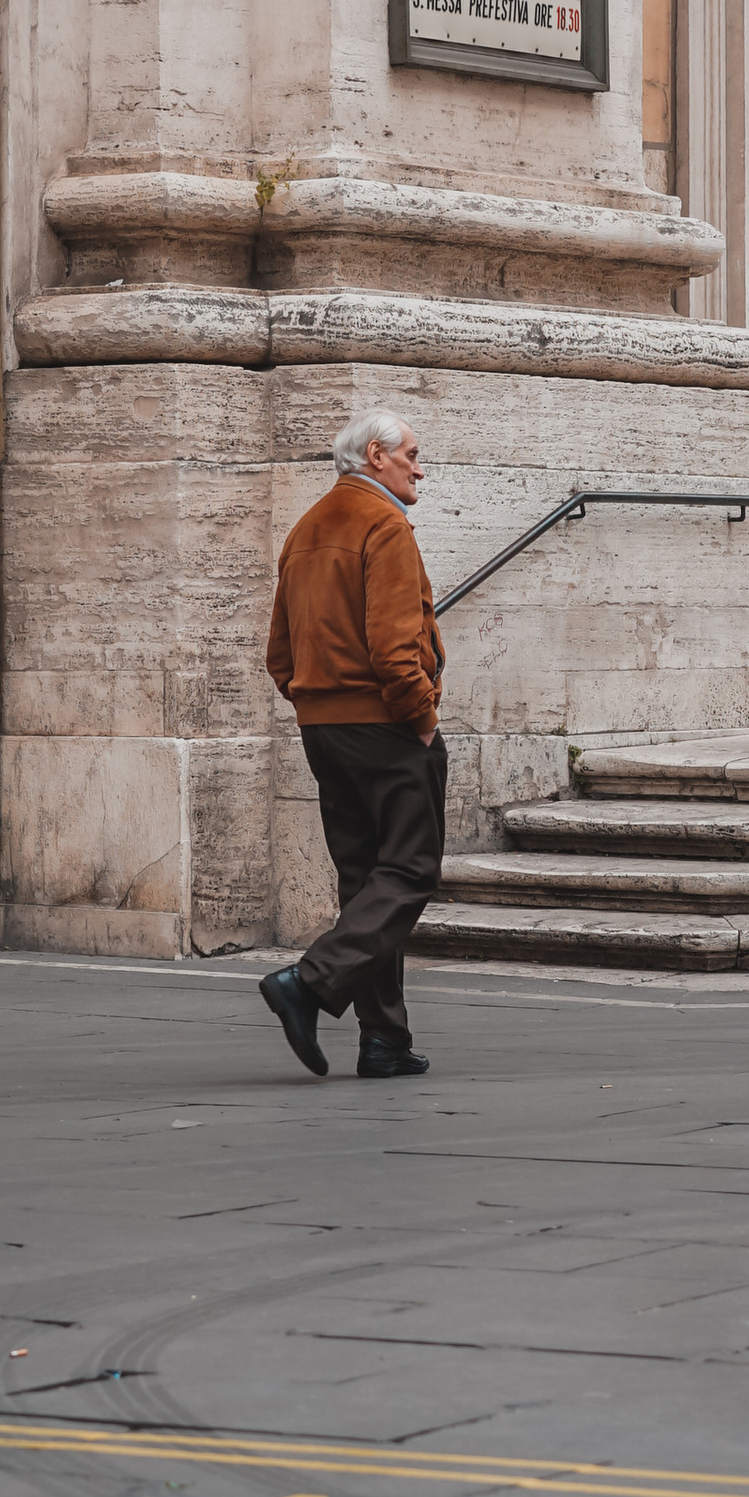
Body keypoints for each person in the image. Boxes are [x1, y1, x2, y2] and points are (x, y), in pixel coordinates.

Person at [258, 410, 446, 1081]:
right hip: (386, 727)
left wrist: (317, 704)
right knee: (411, 870)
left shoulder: (307, 528)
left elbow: (279, 653)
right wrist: (420, 721)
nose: (420, 469)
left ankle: (384, 1041)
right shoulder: (385, 525)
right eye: (413, 456)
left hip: (323, 729)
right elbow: (398, 652)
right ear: (376, 456)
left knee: (367, 881)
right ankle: (308, 983)